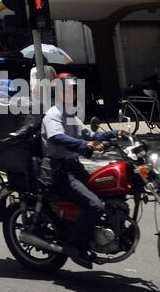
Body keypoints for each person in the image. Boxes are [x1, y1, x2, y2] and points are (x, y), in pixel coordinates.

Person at [42, 73, 124, 267]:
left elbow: (91, 135)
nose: (73, 92)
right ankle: (75, 246)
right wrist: (85, 145)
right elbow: (56, 137)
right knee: (94, 205)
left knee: (106, 192)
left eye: (74, 89)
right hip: (59, 172)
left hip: (75, 168)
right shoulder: (53, 114)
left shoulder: (71, 115)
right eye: (69, 89)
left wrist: (115, 134)